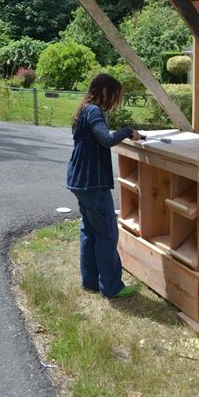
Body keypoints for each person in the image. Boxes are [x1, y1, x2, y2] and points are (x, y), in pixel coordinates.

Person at [67, 73, 142, 298]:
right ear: (106, 92)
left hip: (78, 181)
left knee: (90, 231)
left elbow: (96, 138)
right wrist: (128, 131)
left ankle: (90, 282)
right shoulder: (93, 111)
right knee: (107, 234)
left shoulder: (82, 110)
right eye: (115, 96)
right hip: (92, 183)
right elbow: (106, 139)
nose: (115, 102)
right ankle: (111, 287)